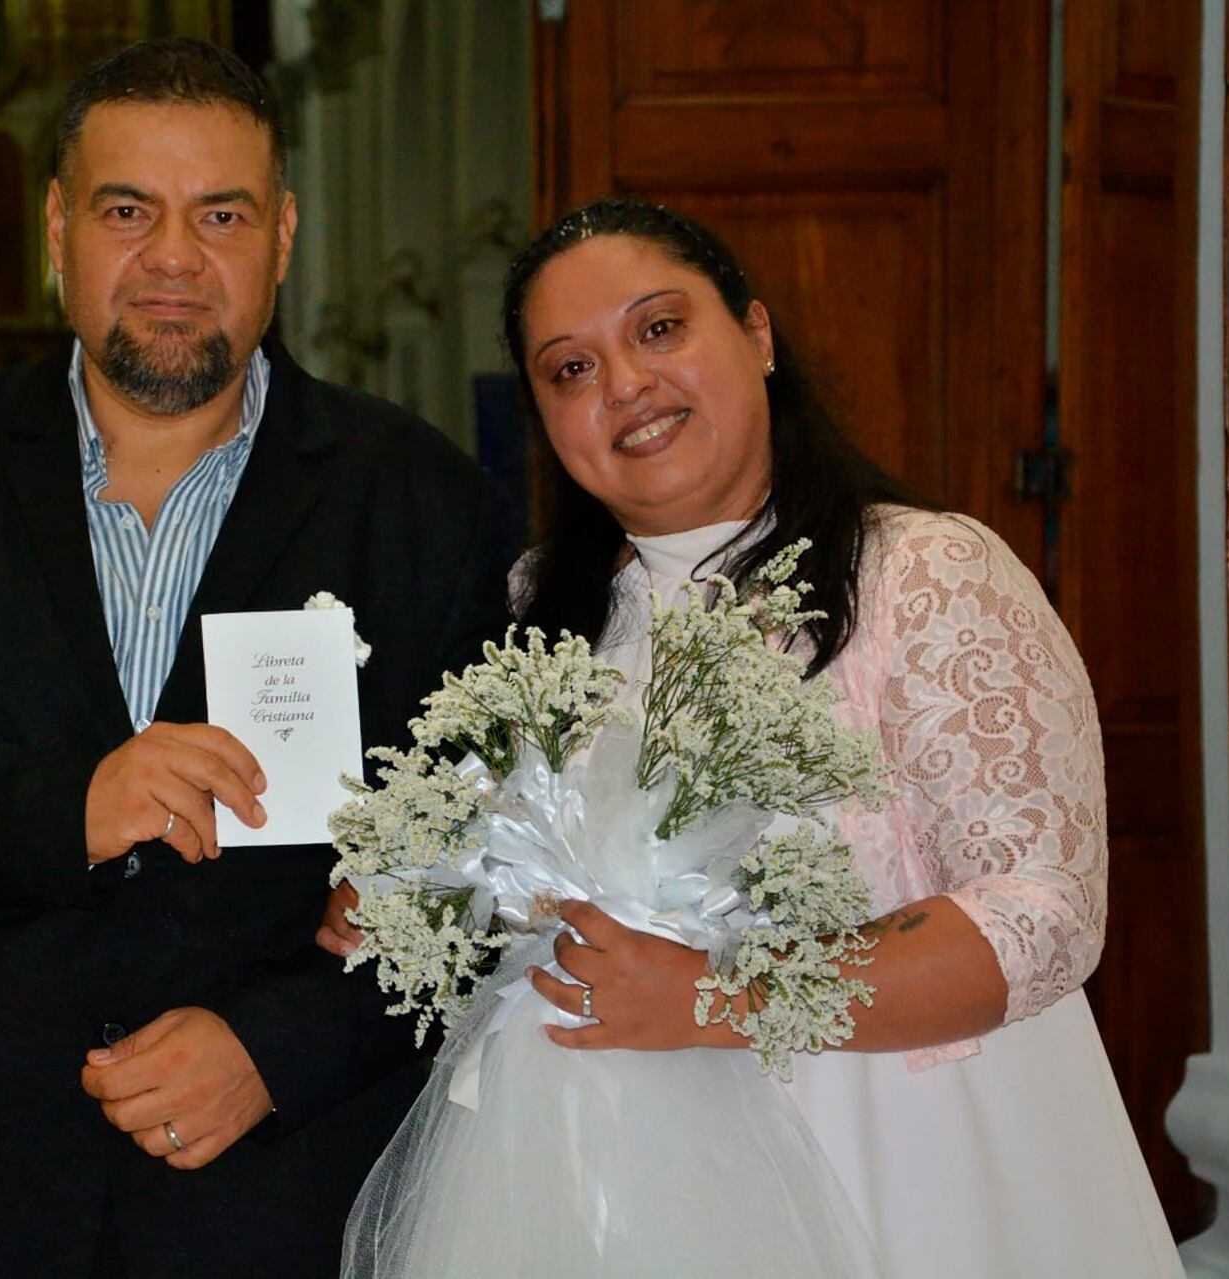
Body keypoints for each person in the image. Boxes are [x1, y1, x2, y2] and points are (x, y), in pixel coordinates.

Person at [0, 38, 506, 1278]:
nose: (176, 259)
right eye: (128, 209)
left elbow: (477, 875)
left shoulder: (423, 503)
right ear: (56, 229)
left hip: (272, 1191)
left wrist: (279, 1048)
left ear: (283, 236)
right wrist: (63, 807)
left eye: (223, 213)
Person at [318, 198, 1184, 1277]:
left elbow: (1046, 910)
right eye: (570, 370)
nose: (625, 384)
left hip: (897, 1163)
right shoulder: (541, 611)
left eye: (659, 328)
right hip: (601, 1179)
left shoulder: (923, 575)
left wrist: (721, 1002)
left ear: (758, 334)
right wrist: (417, 893)